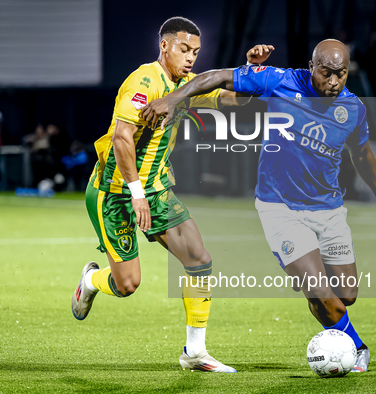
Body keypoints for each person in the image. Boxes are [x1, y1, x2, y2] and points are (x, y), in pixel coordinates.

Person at [139, 39, 376, 373]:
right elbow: (219, 77)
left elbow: (362, 154)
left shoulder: (353, 110)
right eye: (326, 73)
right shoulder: (280, 80)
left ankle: (323, 303)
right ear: (312, 68)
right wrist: (175, 96)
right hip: (279, 207)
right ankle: (355, 346)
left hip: (328, 209)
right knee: (321, 293)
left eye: (341, 74)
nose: (334, 82)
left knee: (346, 295)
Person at [72, 17, 246, 373]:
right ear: (164, 45)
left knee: (199, 258)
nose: (191, 58)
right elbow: (122, 139)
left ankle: (194, 353)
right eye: (184, 49)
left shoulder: (186, 85)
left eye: (196, 52)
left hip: (157, 189)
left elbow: (232, 100)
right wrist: (136, 194)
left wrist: (253, 71)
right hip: (115, 193)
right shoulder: (144, 81)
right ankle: (90, 281)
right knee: (128, 285)